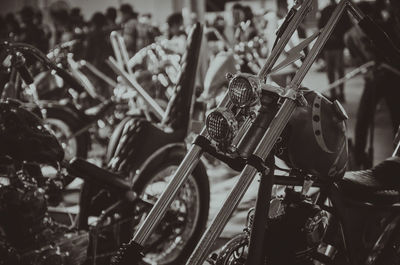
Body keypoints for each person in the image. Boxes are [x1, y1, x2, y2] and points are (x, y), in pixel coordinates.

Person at [349, 1, 400, 168]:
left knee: (396, 120)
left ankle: (396, 160)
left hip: (393, 78)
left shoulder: (389, 23)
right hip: (379, 76)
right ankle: (358, 159)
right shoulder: (382, 24)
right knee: (363, 119)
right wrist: (369, 66)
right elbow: (358, 42)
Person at [318, 0, 351, 102]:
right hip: (330, 46)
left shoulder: (341, 9)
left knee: (339, 71)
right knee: (331, 71)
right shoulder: (325, 10)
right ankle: (334, 93)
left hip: (337, 46)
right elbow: (320, 27)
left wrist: (337, 36)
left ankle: (340, 93)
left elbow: (347, 25)